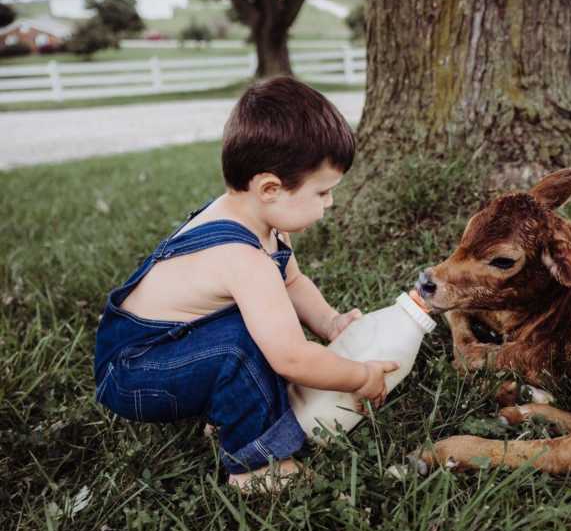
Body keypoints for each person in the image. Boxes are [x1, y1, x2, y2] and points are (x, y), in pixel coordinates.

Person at [93, 76, 397, 492]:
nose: (330, 203)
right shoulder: (242, 257)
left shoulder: (262, 222)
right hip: (133, 372)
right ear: (270, 188)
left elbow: (293, 281)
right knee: (246, 344)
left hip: (170, 348)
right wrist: (360, 377)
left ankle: (230, 409)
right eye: (323, 192)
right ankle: (254, 467)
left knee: (259, 325)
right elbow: (291, 358)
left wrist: (330, 323)